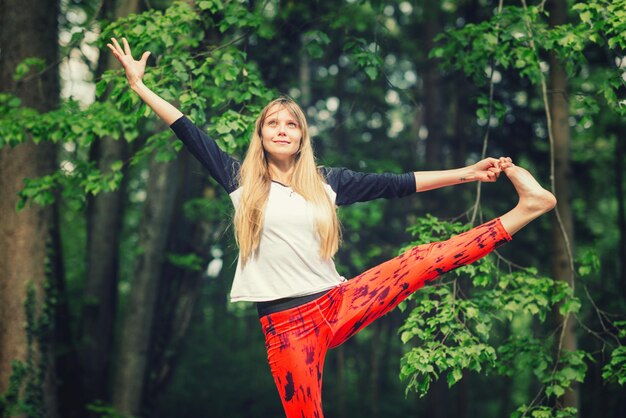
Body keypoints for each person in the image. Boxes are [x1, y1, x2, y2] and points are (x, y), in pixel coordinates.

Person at [107, 37, 556, 418]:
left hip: (337, 302)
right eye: (272, 124)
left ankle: (528, 207)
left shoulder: (327, 183)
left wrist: (469, 173)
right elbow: (188, 130)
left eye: (291, 125)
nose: (282, 130)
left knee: (421, 259)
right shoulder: (240, 181)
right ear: (261, 135)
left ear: (302, 136)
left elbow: (398, 184)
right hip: (287, 328)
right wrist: (140, 86)